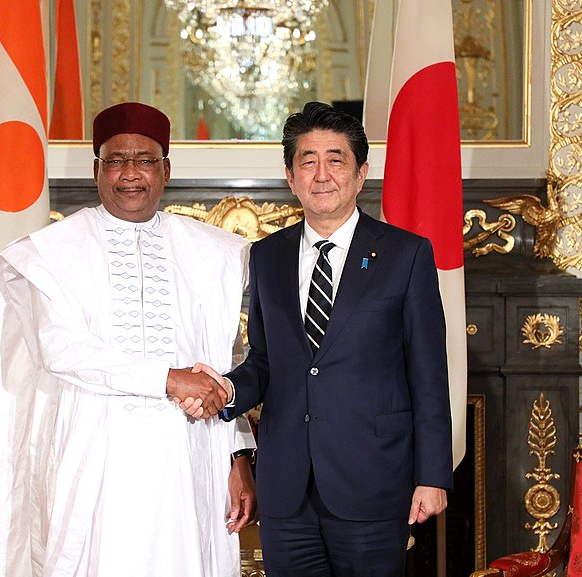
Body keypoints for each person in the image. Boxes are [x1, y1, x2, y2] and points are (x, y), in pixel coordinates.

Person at [0, 102, 257, 577]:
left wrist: (238, 458)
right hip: (95, 454)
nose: (130, 173)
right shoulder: (54, 253)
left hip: (188, 454)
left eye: (144, 160)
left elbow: (227, 364)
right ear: (97, 171)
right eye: (116, 160)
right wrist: (168, 379)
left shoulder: (214, 253)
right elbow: (61, 349)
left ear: (166, 170)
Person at [193, 101, 453, 576]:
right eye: (307, 161)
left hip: (373, 480)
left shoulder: (406, 255)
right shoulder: (267, 256)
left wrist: (433, 476)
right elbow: (267, 361)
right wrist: (227, 389)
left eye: (336, 160)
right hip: (287, 490)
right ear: (291, 177)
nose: (322, 174)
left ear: (361, 173)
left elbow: (429, 375)